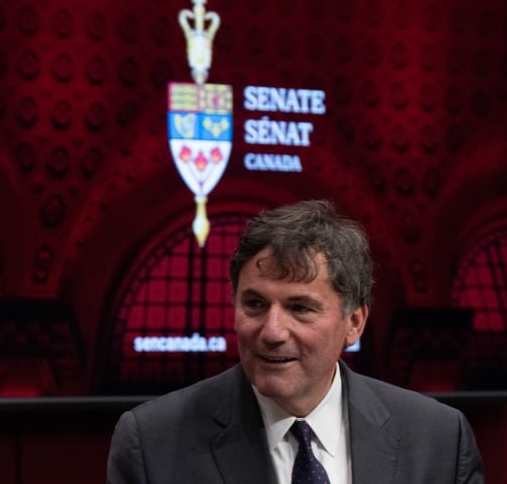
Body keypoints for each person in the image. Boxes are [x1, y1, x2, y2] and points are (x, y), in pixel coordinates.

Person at [106, 200, 484, 483]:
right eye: (254, 304)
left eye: (300, 308)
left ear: (354, 323)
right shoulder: (152, 444)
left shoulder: (437, 439)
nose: (271, 332)